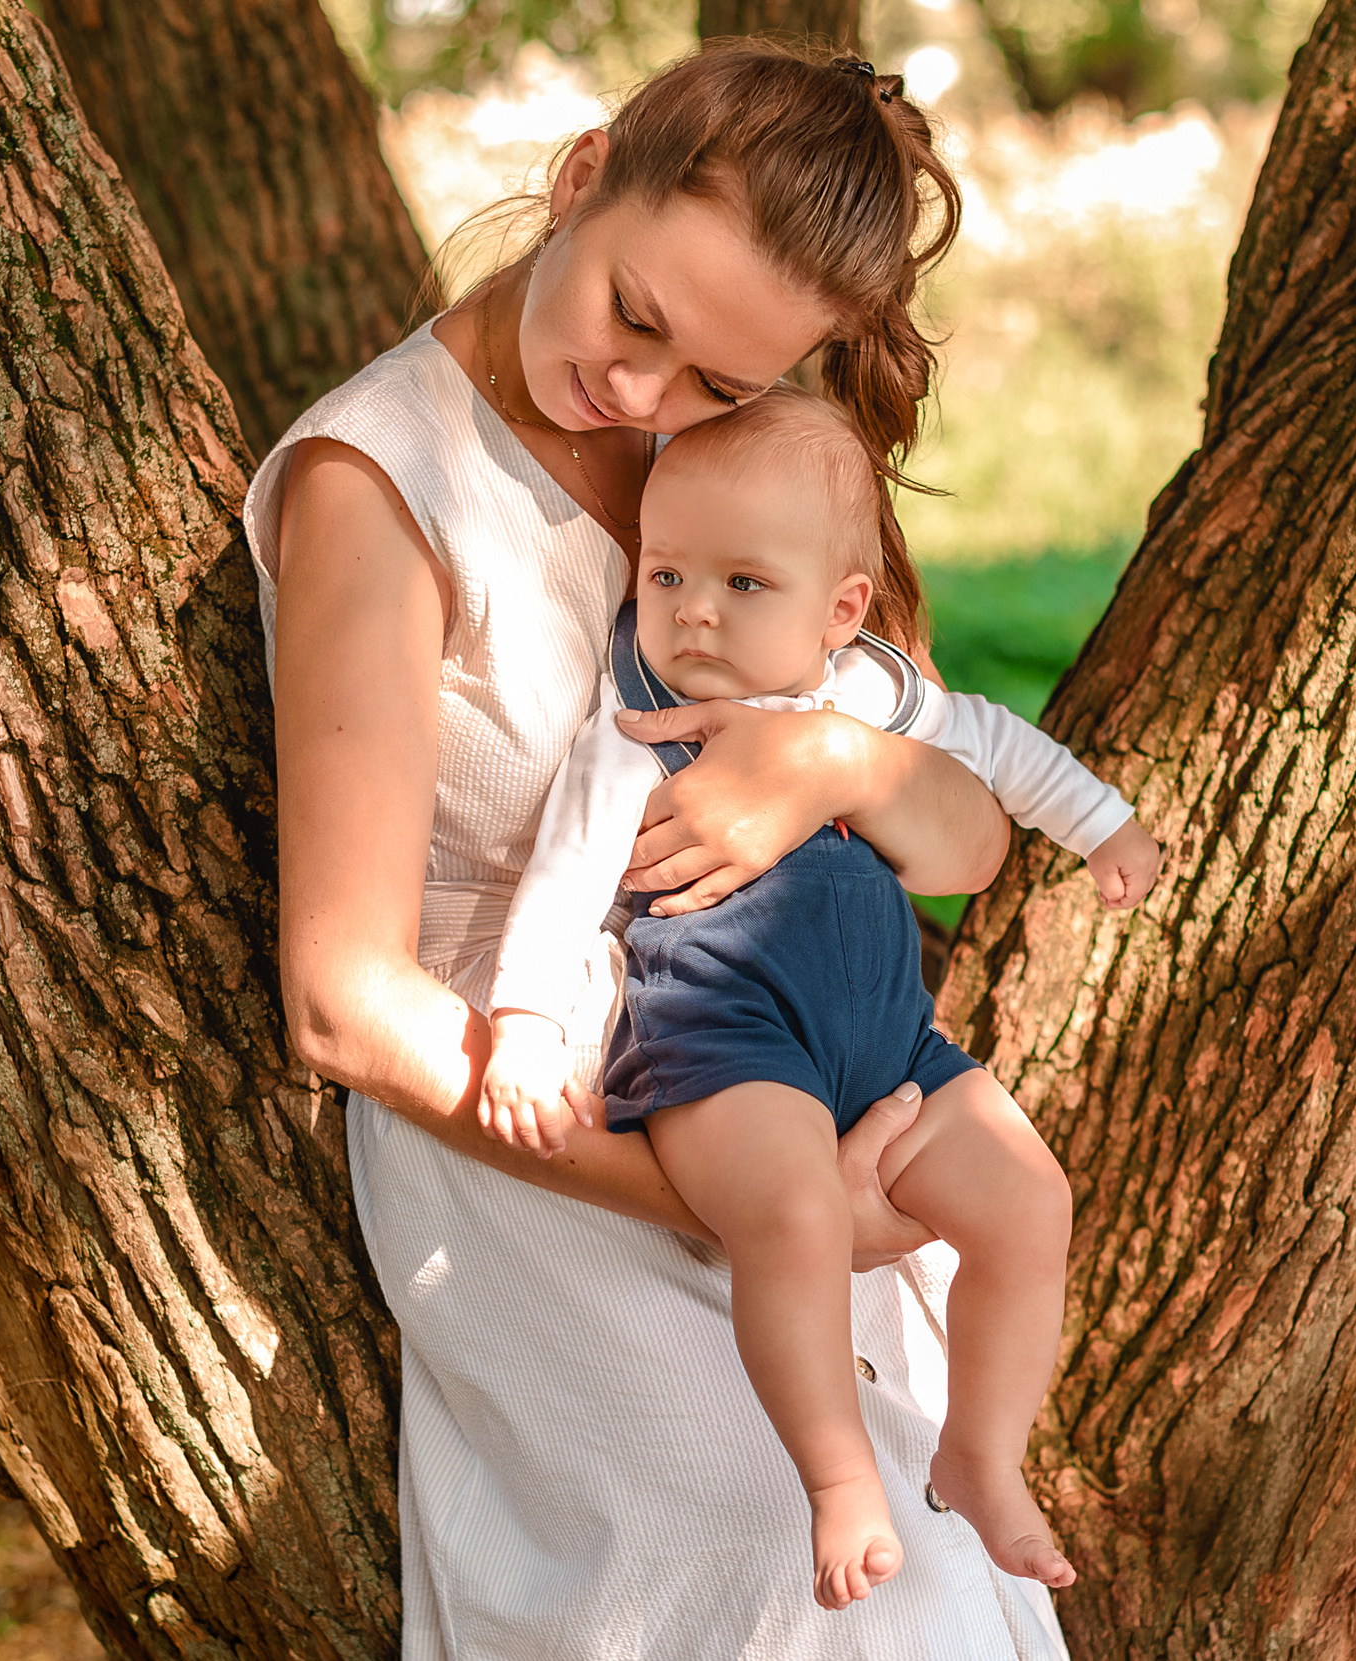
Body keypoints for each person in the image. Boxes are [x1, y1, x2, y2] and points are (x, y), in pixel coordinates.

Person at [247, 40, 1071, 1658]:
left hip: (798, 1108)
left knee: (933, 1573)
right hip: (543, 1147)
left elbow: (964, 835)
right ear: (578, 176)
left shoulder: (752, 465)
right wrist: (745, 1204)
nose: (643, 398)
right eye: (637, 317)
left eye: (715, 378)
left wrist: (828, 759)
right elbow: (345, 1000)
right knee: (787, 1571)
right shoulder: (385, 485)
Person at [475, 388, 1162, 1611]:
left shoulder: (866, 695)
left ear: (842, 608)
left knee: (1028, 1199)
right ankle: (839, 1475)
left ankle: (982, 1451)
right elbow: (566, 867)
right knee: (792, 1214)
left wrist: (1097, 820)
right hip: (723, 1037)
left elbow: (993, 747)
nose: (694, 609)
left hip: (892, 1042)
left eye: (746, 584)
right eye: (669, 572)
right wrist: (524, 1020)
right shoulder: (642, 724)